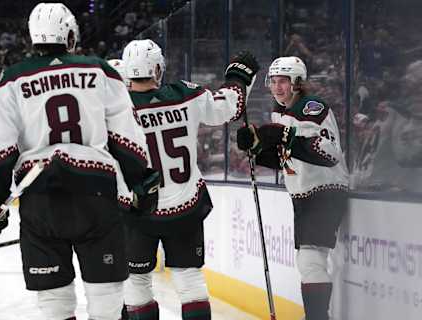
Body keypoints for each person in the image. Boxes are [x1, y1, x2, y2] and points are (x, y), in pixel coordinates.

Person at [0, 3, 159, 320]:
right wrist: (141, 183)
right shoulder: (101, 70)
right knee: (106, 304)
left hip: (41, 201)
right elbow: (127, 138)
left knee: (56, 306)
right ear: (70, 34)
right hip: (97, 197)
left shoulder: (10, 80)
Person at [120, 39, 259, 320]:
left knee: (137, 282)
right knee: (190, 281)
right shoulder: (185, 95)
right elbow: (230, 106)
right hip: (184, 207)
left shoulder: (116, 109)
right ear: (158, 69)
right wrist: (238, 78)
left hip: (138, 212)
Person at [236, 56, 349, 320]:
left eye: (283, 81)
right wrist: (257, 150)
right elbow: (289, 158)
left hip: (324, 191)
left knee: (310, 261)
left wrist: (284, 136)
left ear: (297, 82)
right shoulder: (282, 114)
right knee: (308, 261)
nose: (277, 87)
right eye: (273, 81)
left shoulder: (312, 107)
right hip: (305, 195)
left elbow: (329, 153)